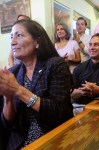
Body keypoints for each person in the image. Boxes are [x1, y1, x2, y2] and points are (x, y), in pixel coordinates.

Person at [0, 20, 73, 149]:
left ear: (37, 42)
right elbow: (7, 122)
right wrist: (8, 97)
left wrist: (18, 90)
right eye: (11, 37)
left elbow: (58, 111)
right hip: (19, 142)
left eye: (19, 35)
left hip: (54, 138)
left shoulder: (56, 65)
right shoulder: (13, 73)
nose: (12, 42)